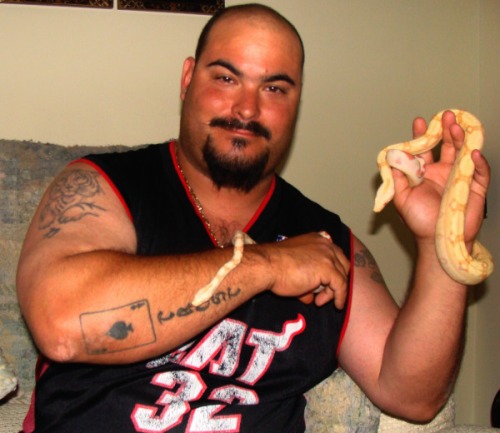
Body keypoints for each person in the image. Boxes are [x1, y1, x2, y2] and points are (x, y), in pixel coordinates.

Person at [16, 3, 490, 433]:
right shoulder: (103, 187)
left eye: (274, 88)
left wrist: (442, 244)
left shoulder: (325, 240)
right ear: (187, 79)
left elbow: (413, 397)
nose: (247, 108)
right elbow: (62, 326)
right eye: (226, 78)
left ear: (296, 104)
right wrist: (267, 265)